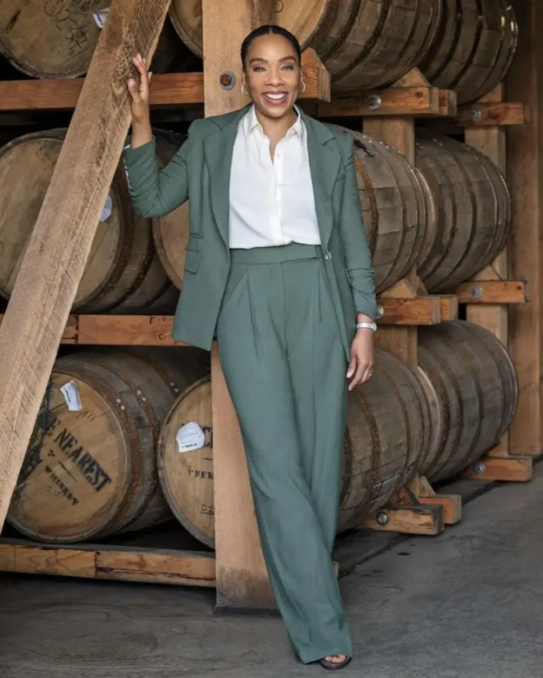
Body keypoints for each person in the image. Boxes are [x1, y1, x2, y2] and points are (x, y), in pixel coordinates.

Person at [124, 24, 377, 671]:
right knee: (274, 462)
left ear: (300, 74)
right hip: (243, 300)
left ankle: (309, 589)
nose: (274, 80)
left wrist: (365, 323)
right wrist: (141, 117)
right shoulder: (212, 140)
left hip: (319, 297)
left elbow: (351, 242)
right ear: (245, 75)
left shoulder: (327, 145)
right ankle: (323, 626)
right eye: (260, 68)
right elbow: (152, 198)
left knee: (321, 461)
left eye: (285, 67)